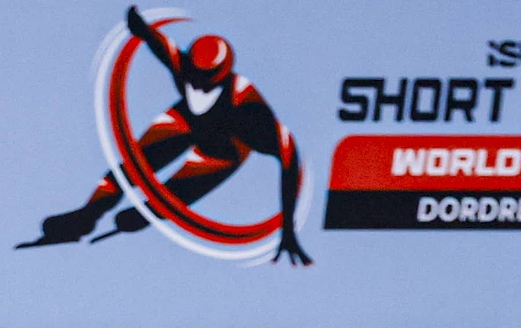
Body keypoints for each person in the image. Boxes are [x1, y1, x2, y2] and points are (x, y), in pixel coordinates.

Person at [19, 4, 311, 265]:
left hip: (223, 149)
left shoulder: (247, 107)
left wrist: (287, 232)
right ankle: (86, 217)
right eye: (193, 79)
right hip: (185, 121)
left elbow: (289, 158)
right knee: (128, 170)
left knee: (169, 198)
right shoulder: (185, 67)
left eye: (204, 84)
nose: (197, 87)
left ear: (221, 77)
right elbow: (160, 45)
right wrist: (139, 26)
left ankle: (146, 214)